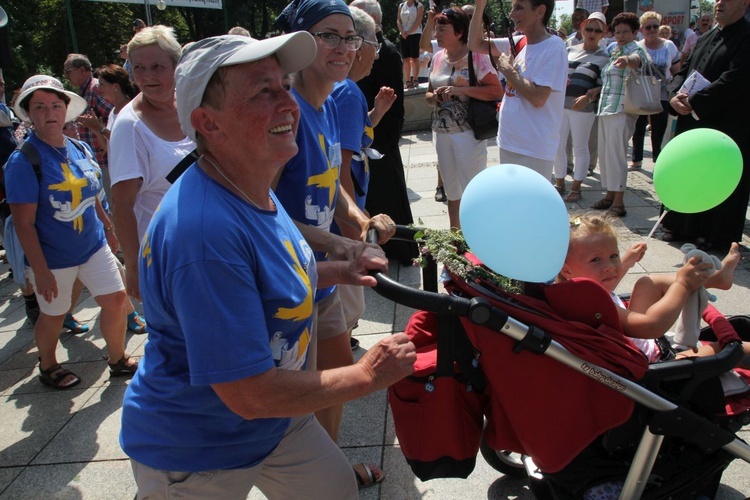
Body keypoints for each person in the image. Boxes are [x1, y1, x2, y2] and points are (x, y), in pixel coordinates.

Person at [119, 32, 416, 499]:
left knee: (333, 488)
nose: (289, 102)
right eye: (263, 91)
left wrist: (336, 269)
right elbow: (249, 394)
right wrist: (367, 375)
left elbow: (259, 281)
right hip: (199, 447)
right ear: (207, 123)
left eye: (284, 85)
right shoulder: (204, 233)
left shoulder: (247, 180)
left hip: (275, 419)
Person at [275, 0, 398, 486]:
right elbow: (262, 213)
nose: (344, 47)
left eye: (350, 37)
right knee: (288, 393)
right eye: (329, 36)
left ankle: (328, 468)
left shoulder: (331, 101)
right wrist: (342, 245)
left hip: (323, 273)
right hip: (285, 278)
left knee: (333, 383)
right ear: (300, 43)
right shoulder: (286, 110)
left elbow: (332, 184)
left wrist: (359, 219)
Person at [5, 75, 137, 389]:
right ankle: (48, 364)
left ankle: (117, 360)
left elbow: (94, 195)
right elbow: (24, 223)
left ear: (65, 109)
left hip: (92, 246)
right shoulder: (23, 162)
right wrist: (40, 270)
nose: (49, 112)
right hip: (53, 257)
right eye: (39, 107)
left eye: (55, 105)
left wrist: (108, 227)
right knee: (54, 313)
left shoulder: (78, 148)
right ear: (28, 114)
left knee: (116, 299)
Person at [559, 212, 747, 363]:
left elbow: (604, 286)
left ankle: (714, 279)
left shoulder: (575, 289)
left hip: (635, 340)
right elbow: (651, 327)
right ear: (566, 270)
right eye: (596, 259)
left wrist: (626, 262)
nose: (609, 266)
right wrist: (683, 284)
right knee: (729, 351)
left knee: (647, 283)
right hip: (651, 359)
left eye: (613, 255)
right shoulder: (590, 303)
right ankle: (697, 280)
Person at [108, 26, 195, 302]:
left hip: (203, 244)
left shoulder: (190, 103)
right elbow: (121, 204)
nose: (147, 76)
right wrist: (133, 267)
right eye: (139, 68)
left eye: (157, 66)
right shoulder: (129, 127)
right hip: (165, 257)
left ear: (176, 65)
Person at [662, 0, 750, 252]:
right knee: (690, 172)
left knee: (719, 176)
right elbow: (684, 69)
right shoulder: (706, 36)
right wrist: (677, 94)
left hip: (727, 124)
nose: (719, 3)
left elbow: (736, 78)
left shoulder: (746, 36)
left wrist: (694, 100)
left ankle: (718, 234)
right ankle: (681, 225)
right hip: (692, 119)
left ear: (744, 3)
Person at [332, 7, 396, 351]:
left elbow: (358, 140)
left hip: (345, 216)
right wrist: (352, 226)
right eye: (375, 41)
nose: (378, 50)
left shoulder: (349, 91)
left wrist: (378, 112)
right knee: (346, 306)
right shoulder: (346, 92)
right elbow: (339, 166)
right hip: (340, 224)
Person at [469, 0, 568, 181]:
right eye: (513, 7)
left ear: (540, 12)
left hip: (533, 149)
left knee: (531, 208)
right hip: (509, 143)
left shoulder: (554, 47)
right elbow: (475, 44)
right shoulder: (520, 42)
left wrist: (508, 71)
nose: (512, 14)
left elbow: (538, 98)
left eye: (519, 8)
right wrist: (479, 6)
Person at [353, 0, 419, 266]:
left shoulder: (386, 51)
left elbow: (391, 101)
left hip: (380, 137)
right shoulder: (375, 50)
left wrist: (385, 135)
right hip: (372, 132)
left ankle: (399, 249)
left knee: (389, 197)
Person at [426, 7, 503, 230]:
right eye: (436, 29)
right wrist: (436, 97)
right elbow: (428, 96)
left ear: (459, 32)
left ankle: (480, 235)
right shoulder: (438, 57)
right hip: (441, 133)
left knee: (473, 188)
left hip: (468, 133)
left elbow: (496, 91)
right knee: (451, 190)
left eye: (442, 29)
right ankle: (455, 237)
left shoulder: (476, 56)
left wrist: (463, 91)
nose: (436, 34)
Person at [589, 12, 648, 218]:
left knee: (617, 155)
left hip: (622, 110)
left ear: (634, 32)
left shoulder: (635, 49)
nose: (620, 35)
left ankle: (619, 201)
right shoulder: (615, 50)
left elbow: (637, 61)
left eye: (625, 32)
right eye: (617, 32)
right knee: (606, 155)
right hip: (606, 108)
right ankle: (609, 195)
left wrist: (627, 59)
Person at [553, 12, 609, 203]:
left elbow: (605, 84)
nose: (592, 33)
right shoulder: (569, 49)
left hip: (583, 108)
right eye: (589, 28)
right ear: (582, 28)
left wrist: (589, 96)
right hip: (561, 105)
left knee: (580, 147)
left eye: (597, 30)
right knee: (558, 146)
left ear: (603, 33)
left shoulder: (604, 56)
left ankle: (576, 188)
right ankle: (559, 183)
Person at [630, 11, 680, 170]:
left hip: (662, 94)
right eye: (648, 27)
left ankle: (658, 160)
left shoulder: (669, 46)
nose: (652, 30)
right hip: (641, 92)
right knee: (638, 127)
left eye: (655, 26)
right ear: (642, 29)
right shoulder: (637, 47)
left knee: (659, 128)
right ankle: (636, 159)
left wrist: (677, 89)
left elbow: (676, 70)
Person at [62, 54, 114, 172]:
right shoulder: (85, 91)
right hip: (96, 161)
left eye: (67, 71)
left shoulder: (96, 88)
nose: (65, 76)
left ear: (81, 70)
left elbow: (115, 114)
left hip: (106, 161)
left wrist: (99, 128)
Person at [397, 0, 424, 89]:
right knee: (405, 59)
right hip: (403, 35)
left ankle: (415, 79)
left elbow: (418, 20)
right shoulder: (401, 5)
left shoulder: (419, 6)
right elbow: (398, 20)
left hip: (415, 33)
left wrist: (409, 32)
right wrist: (402, 32)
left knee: (415, 57)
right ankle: (408, 80)